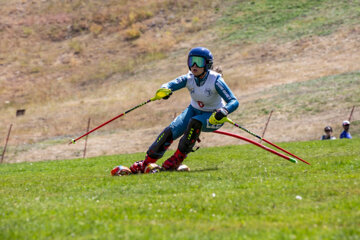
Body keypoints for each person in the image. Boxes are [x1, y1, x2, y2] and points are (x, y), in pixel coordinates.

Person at [129, 47, 239, 173]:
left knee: (195, 122)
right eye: (192, 61)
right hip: (193, 110)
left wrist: (224, 111)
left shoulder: (216, 80)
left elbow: (234, 101)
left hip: (214, 116)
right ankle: (146, 163)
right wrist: (164, 90)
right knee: (170, 131)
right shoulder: (189, 78)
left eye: (199, 61)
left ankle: (176, 160)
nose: (194, 65)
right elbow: (169, 85)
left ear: (207, 64)